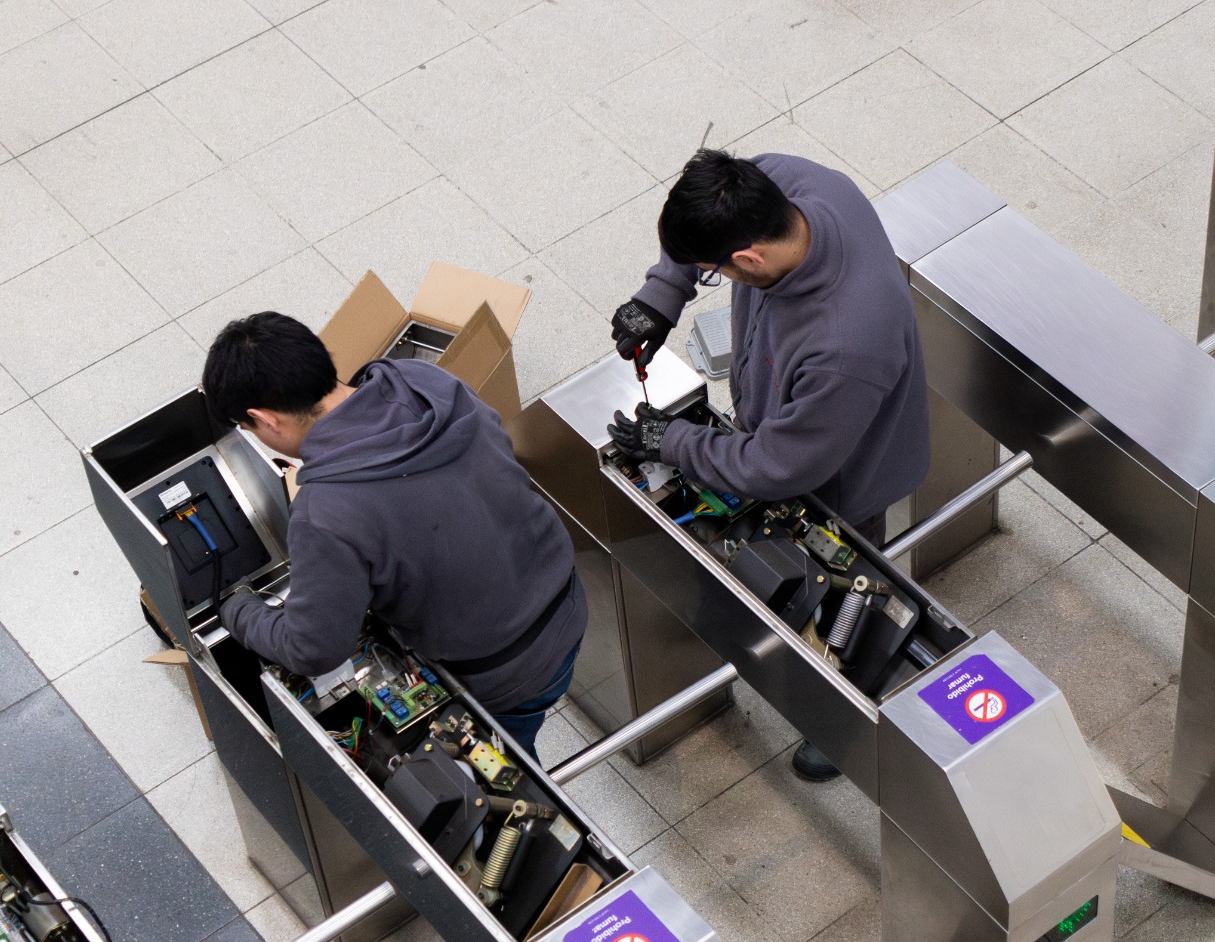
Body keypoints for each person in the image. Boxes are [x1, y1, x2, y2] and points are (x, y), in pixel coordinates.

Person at [607, 149, 929, 782]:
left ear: (748, 260)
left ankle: (842, 722)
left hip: (844, 474)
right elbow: (699, 221)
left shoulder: (846, 339)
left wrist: (671, 441)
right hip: (793, 422)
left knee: (844, 592)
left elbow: (780, 467)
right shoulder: (786, 183)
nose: (706, 277)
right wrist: (663, 293)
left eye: (709, 274)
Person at [202, 312, 585, 756]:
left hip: (506, 673)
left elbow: (313, 649)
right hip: (566, 601)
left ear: (264, 419)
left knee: (498, 774)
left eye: (250, 430)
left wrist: (237, 610)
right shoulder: (423, 381)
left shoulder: (325, 512)